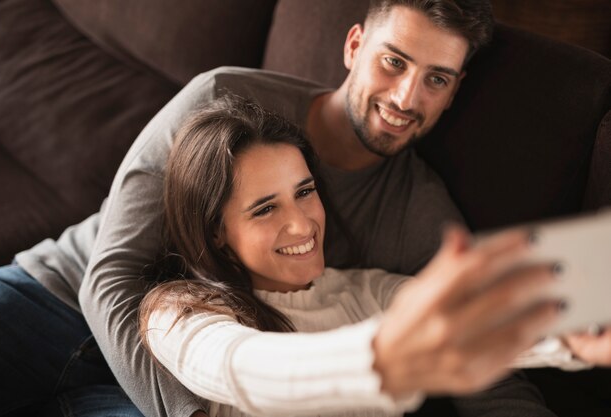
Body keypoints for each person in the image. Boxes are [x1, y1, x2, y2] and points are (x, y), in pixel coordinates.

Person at [0, 0, 605, 416]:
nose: (405, 97)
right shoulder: (223, 96)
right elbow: (112, 277)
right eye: (394, 62)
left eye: (437, 78)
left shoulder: (420, 216)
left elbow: (482, 354)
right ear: (355, 45)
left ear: (455, 90)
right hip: (60, 295)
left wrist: (570, 339)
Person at [138, 94, 563, 417]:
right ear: (217, 232)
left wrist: (574, 337)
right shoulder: (179, 313)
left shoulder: (369, 291)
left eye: (305, 192)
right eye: (266, 209)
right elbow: (239, 366)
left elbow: (481, 322)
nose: (303, 225)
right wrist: (386, 358)